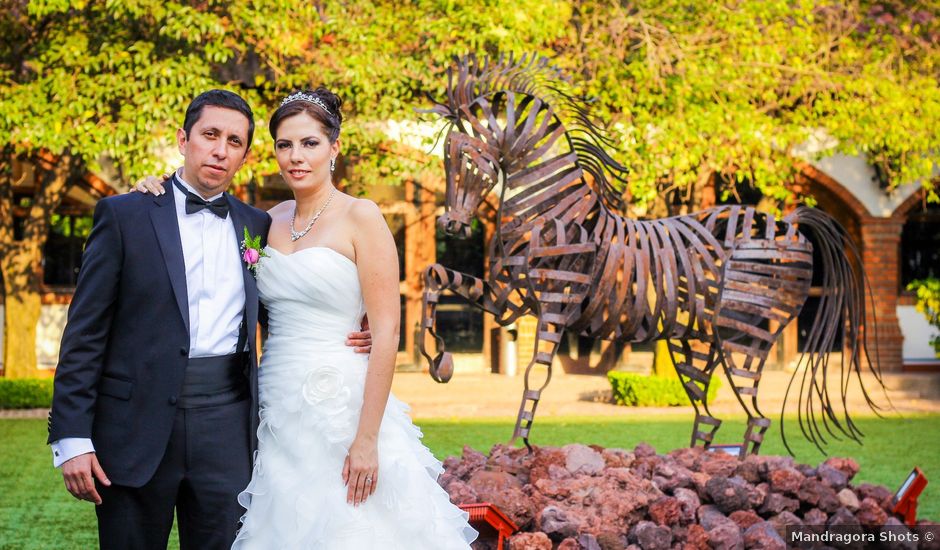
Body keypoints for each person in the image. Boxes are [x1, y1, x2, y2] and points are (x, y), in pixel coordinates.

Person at [137, 87, 477, 549]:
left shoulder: (363, 216)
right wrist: (154, 187)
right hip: (270, 407)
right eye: (284, 144)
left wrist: (366, 439)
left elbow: (387, 331)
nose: (296, 156)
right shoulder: (261, 222)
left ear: (334, 147)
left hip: (341, 405)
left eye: (310, 143)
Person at [47, 89, 371, 550]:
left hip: (227, 426)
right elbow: (84, 333)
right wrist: (72, 437)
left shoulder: (257, 226)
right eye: (210, 135)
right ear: (184, 139)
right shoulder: (125, 214)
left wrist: (362, 324)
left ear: (245, 155)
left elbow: (289, 300)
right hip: (134, 426)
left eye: (235, 141)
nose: (221, 149)